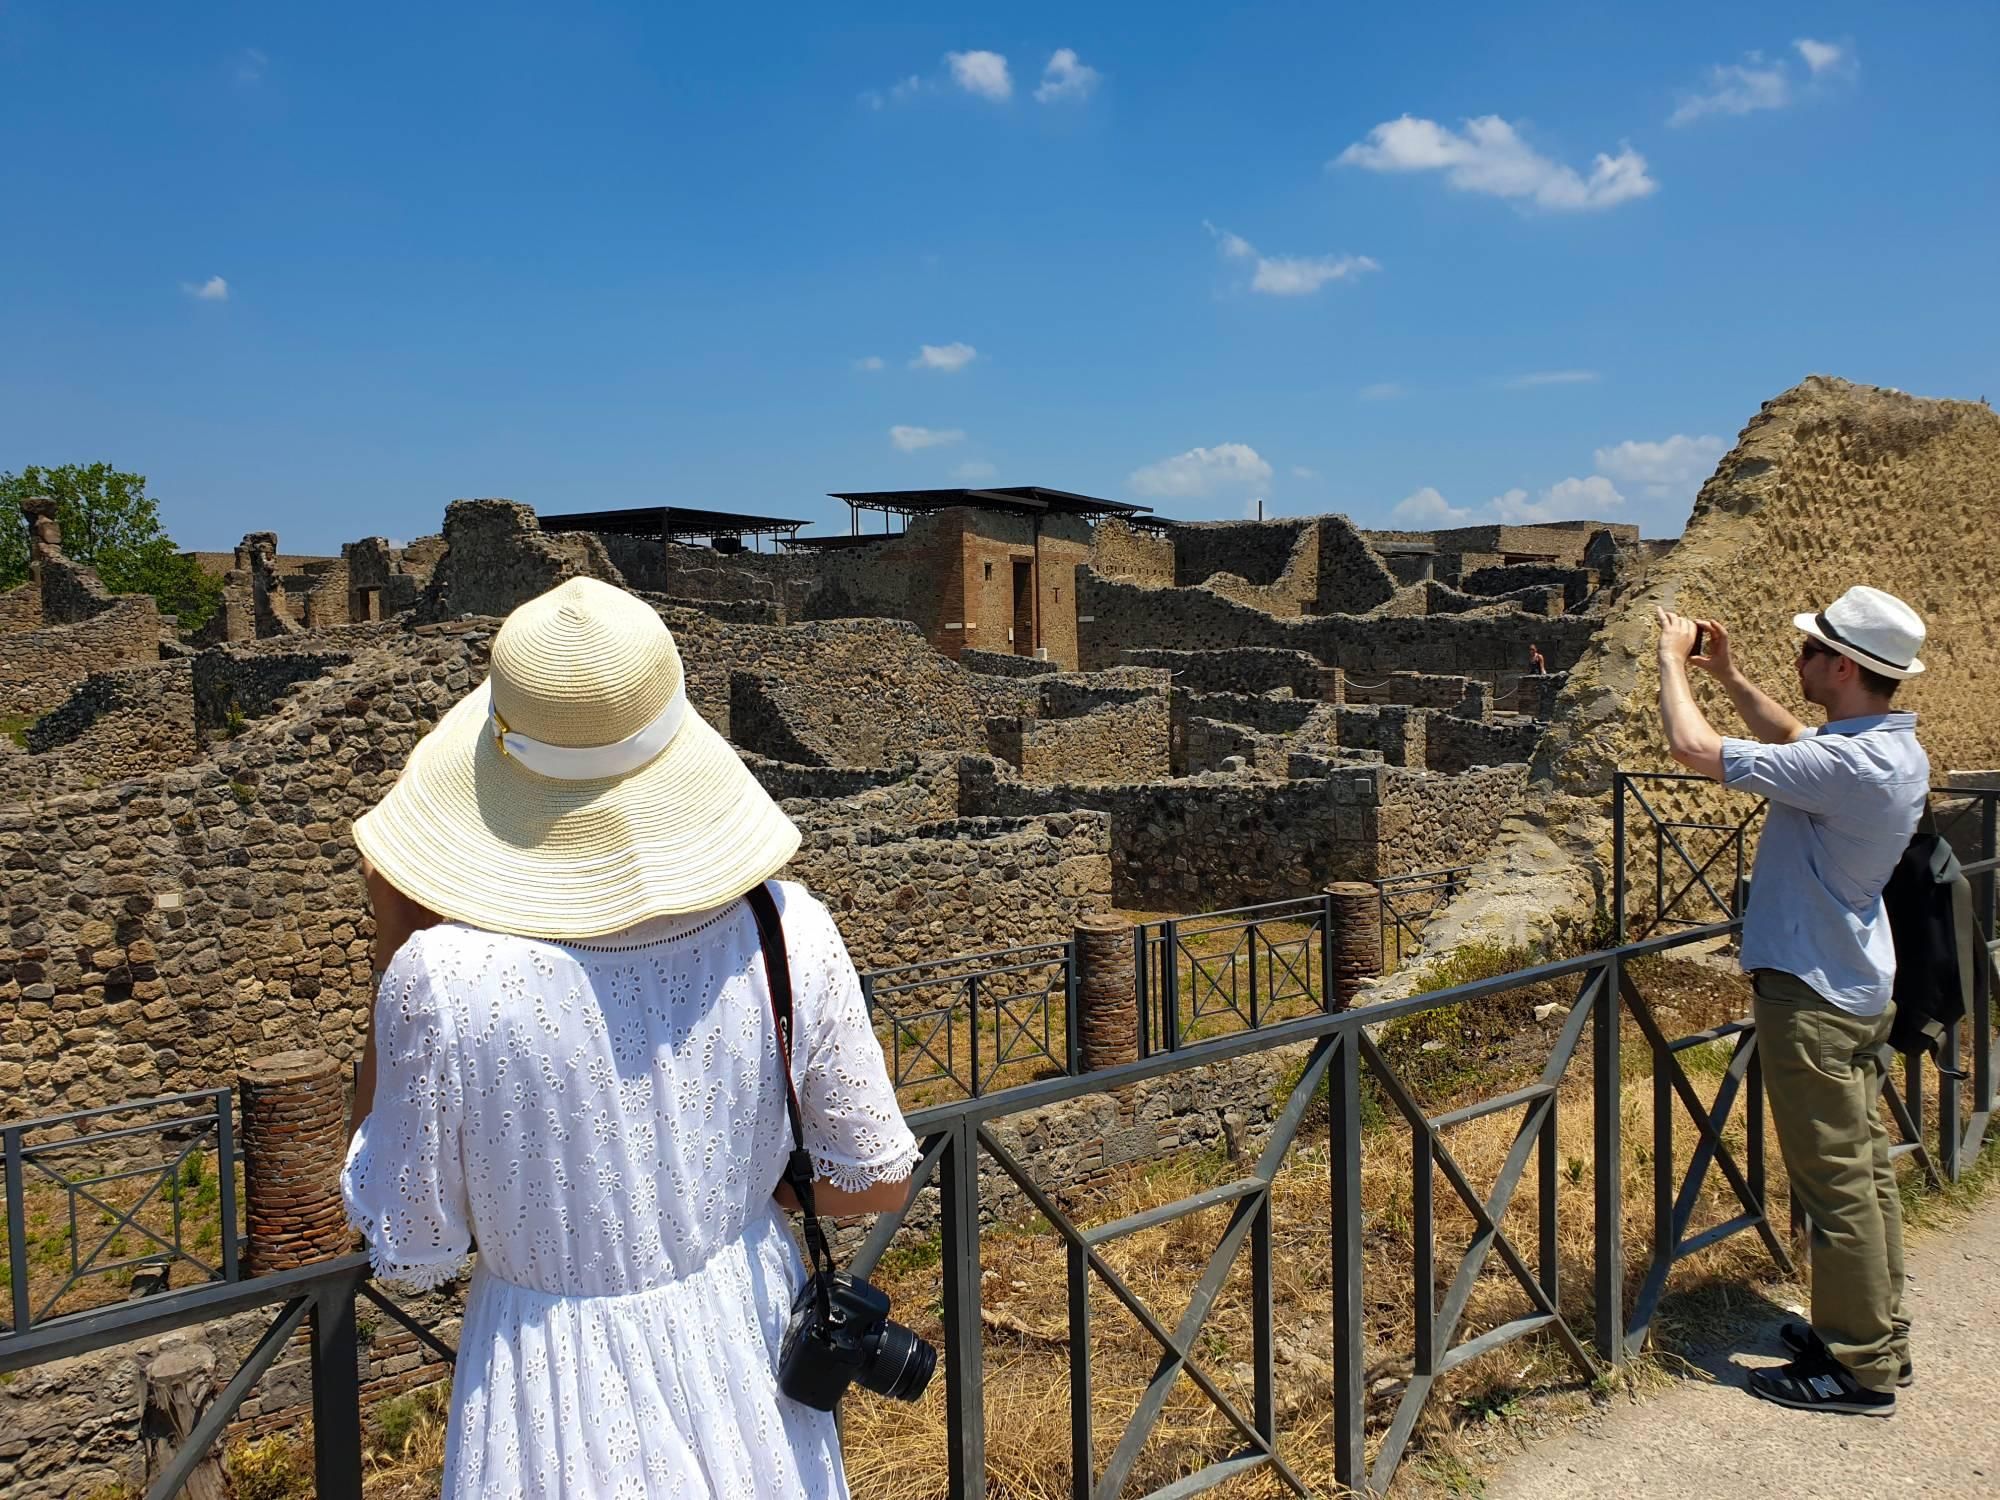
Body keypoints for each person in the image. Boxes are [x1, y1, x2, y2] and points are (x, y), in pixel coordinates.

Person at [342, 577, 920, 1497]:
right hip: (750, 1359)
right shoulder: (786, 927)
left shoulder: (439, 983)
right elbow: (879, 1178)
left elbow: (415, 1242)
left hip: (549, 1394)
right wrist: (723, 1184)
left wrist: (393, 938)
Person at [1654, 586, 1929, 1418]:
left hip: (1812, 996)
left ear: (1842, 667)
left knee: (1837, 1185)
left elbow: (1693, 749)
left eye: (1811, 652)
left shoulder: (1849, 767)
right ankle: (1874, 1334)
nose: (1801, 659)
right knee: (1866, 1176)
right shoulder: (1884, 749)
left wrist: (1674, 666)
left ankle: (1860, 1371)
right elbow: (1791, 740)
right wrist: (1731, 675)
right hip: (1852, 984)